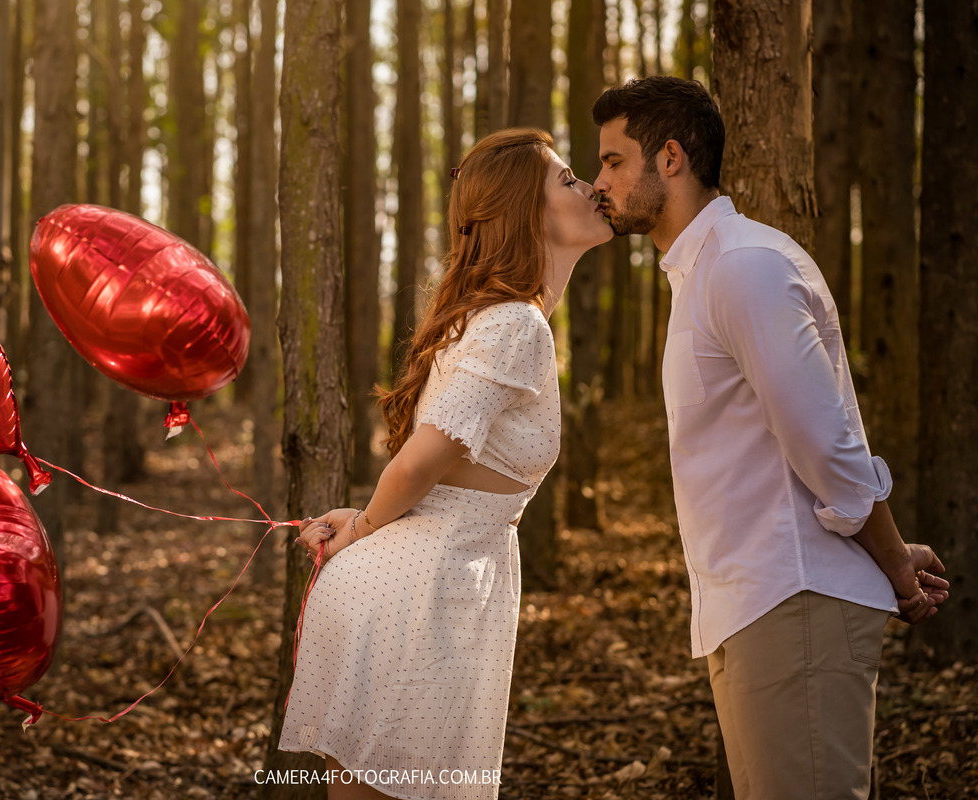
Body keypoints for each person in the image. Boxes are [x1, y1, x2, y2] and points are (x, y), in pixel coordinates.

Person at [590, 75, 950, 800]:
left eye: (612, 160)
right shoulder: (704, 273)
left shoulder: (742, 267)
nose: (599, 182)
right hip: (756, 607)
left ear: (669, 158)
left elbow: (827, 444)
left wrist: (892, 561)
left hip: (795, 600)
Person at [277, 127, 612, 800]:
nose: (591, 187)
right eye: (568, 178)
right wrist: (363, 528)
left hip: (432, 582)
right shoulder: (515, 324)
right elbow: (421, 463)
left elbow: (444, 477)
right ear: (527, 211)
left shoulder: (500, 319)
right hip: (418, 600)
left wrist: (365, 521)